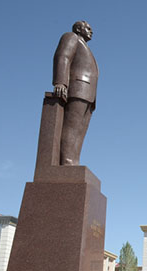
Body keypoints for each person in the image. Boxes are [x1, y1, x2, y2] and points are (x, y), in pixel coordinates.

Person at [53, 21, 99, 166]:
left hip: (88, 92)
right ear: (79, 29)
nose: (91, 31)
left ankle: (74, 161)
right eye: (88, 28)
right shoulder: (71, 37)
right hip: (77, 88)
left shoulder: (85, 46)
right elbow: (63, 57)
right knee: (72, 127)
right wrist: (61, 82)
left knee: (80, 131)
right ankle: (67, 161)